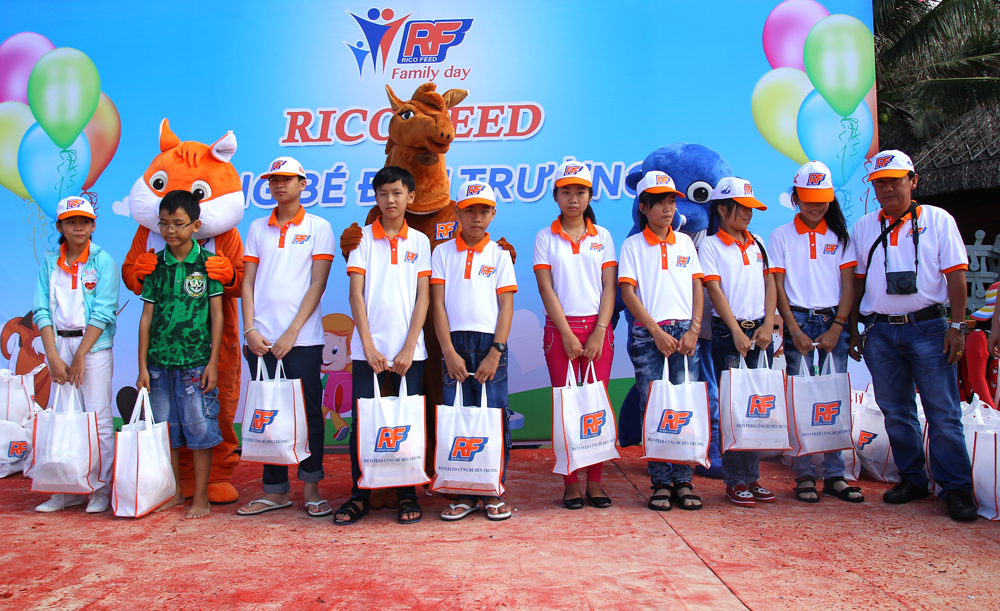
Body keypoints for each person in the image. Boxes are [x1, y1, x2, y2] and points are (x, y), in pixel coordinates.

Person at [847, 149, 977, 522]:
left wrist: (957, 326)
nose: (887, 188)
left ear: (913, 181)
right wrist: (855, 328)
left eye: (894, 181)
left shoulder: (937, 219)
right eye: (879, 183)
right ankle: (913, 478)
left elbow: (956, 277)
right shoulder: (864, 226)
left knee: (943, 411)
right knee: (895, 411)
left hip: (929, 328)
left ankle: (956, 488)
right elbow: (857, 283)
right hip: (880, 330)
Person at [238, 157, 335, 517]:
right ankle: (275, 492)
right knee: (269, 414)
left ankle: (311, 488)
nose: (279, 185)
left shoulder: (318, 226)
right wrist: (249, 329)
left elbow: (318, 283)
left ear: (302, 183)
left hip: (303, 340)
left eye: (287, 179)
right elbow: (247, 282)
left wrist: (293, 332)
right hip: (260, 340)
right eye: (273, 180)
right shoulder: (257, 227)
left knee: (309, 414)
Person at [335, 166, 431, 525]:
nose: (390, 200)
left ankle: (408, 493)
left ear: (410, 197)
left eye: (397, 193)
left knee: (407, 423)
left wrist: (408, 347)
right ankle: (361, 493)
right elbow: (355, 294)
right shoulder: (361, 238)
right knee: (363, 423)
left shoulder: (420, 242)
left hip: (411, 352)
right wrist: (368, 346)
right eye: (383, 194)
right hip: (368, 352)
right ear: (375, 198)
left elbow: (423, 298)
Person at [770, 161, 863, 504]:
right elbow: (778, 286)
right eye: (809, 198)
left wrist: (839, 326)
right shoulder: (781, 236)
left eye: (822, 198)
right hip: (799, 323)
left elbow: (849, 286)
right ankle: (804, 473)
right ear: (796, 197)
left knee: (833, 399)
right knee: (801, 400)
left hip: (832, 324)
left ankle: (835, 474)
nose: (816, 204)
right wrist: (793, 328)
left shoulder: (840, 237)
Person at [619, 171, 705, 511]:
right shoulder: (633, 245)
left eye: (671, 201)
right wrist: (655, 331)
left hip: (685, 332)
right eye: (660, 203)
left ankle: (683, 480)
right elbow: (628, 292)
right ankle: (660, 481)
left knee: (684, 405)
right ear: (644, 207)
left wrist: (694, 329)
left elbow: (697, 286)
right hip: (649, 334)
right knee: (653, 407)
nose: (668, 209)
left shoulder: (685, 243)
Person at [534, 161, 617, 509]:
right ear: (556, 196)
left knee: (597, 406)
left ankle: (595, 482)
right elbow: (546, 289)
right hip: (560, 332)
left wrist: (599, 330)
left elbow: (609, 287)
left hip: (598, 331)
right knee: (565, 406)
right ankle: (570, 481)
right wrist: (567, 334)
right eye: (566, 192)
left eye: (580, 191)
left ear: (589, 196)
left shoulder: (603, 237)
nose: (573, 198)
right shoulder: (545, 237)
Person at [432, 180, 516, 521]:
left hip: (489, 344)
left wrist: (496, 351)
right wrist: (448, 352)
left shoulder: (499, 255)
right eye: (469, 210)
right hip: (454, 345)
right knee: (459, 418)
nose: (476, 217)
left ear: (493, 214)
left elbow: (506, 306)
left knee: (493, 417)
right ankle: (465, 492)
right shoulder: (442, 253)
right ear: (457, 212)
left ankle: (493, 490)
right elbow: (437, 305)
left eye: (484, 211)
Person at [136, 190, 223, 519]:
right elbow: (146, 318)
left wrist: (212, 362)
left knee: (201, 430)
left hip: (195, 365)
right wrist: (142, 366)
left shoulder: (207, 264)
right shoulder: (155, 265)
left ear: (195, 225)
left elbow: (217, 315)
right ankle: (175, 492)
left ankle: (201, 497)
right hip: (158, 366)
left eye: (177, 223)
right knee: (165, 431)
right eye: (164, 223)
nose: (170, 230)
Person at [32, 196, 119, 513]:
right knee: (63, 416)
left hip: (92, 346)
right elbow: (41, 310)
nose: (78, 227)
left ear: (93, 226)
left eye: (84, 221)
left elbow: (104, 311)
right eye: (71, 222)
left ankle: (100, 488)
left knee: (98, 418)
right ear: (60, 227)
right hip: (59, 345)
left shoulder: (103, 262)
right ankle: (65, 487)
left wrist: (80, 354)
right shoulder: (49, 262)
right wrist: (52, 356)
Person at [700, 177, 777, 508]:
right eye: (742, 207)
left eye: (751, 208)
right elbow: (714, 290)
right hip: (727, 333)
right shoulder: (710, 245)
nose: (748, 213)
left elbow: (771, 283)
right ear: (722, 209)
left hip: (760, 333)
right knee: (733, 408)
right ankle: (735, 480)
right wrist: (735, 331)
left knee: (756, 406)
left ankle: (753, 476)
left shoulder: (758, 242)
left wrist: (769, 325)